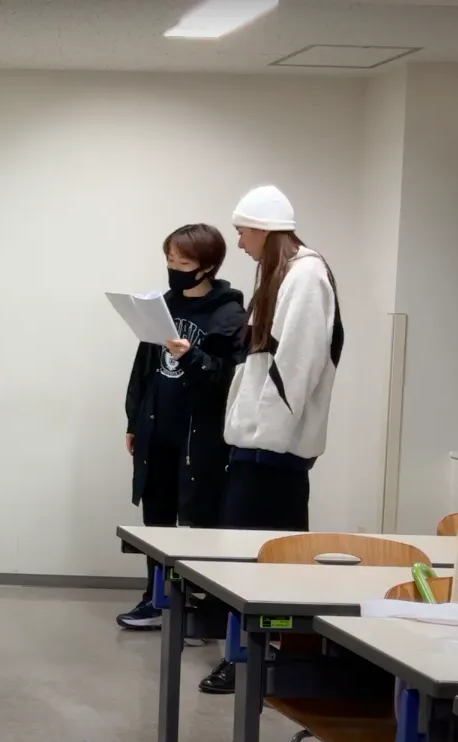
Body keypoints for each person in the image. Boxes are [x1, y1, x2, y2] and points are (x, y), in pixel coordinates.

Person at [199, 185, 343, 695]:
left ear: (263, 230)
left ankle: (253, 661)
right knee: (249, 559)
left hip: (272, 451)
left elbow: (296, 368)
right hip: (258, 446)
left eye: (242, 232)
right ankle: (250, 658)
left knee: (264, 562)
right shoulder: (284, 275)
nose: (239, 243)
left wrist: (266, 437)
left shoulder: (306, 276)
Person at [117, 225, 246, 631]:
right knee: (156, 519)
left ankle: (202, 607)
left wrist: (190, 356)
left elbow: (224, 379)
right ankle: (155, 600)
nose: (174, 269)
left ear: (207, 267)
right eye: (170, 260)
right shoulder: (163, 306)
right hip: (157, 429)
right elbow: (143, 368)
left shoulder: (228, 315)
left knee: (200, 521)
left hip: (201, 437)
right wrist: (134, 420)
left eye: (183, 262)